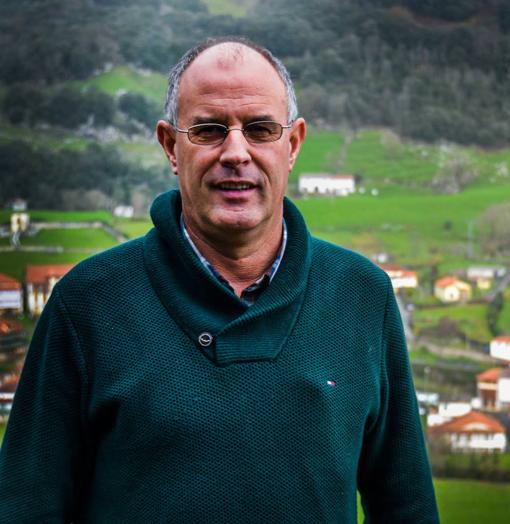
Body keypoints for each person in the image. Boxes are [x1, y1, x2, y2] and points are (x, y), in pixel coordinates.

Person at [0, 37, 439, 522]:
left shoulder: (362, 297)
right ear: (171, 145)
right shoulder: (87, 304)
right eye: (209, 130)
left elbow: (407, 506)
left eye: (259, 129)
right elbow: (27, 506)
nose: (236, 152)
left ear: (291, 145)